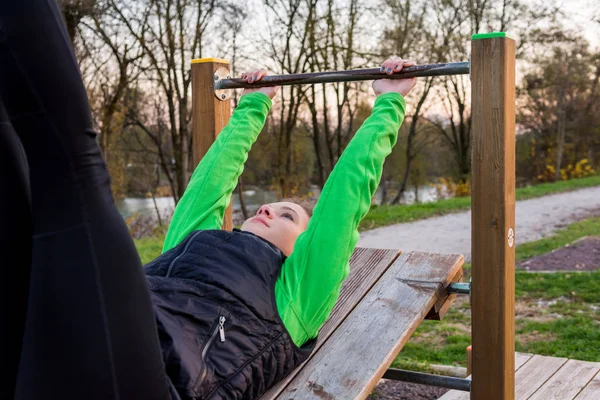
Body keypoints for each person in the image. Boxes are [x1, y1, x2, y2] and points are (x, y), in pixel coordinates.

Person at [0, 1, 416, 399]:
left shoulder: (298, 296)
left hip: (154, 379)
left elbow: (344, 201)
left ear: (301, 252)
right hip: (58, 353)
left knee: (72, 170)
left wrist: (389, 103)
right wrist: (254, 104)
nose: (267, 208)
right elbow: (210, 183)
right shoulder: (193, 244)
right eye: (270, 206)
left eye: (288, 215)